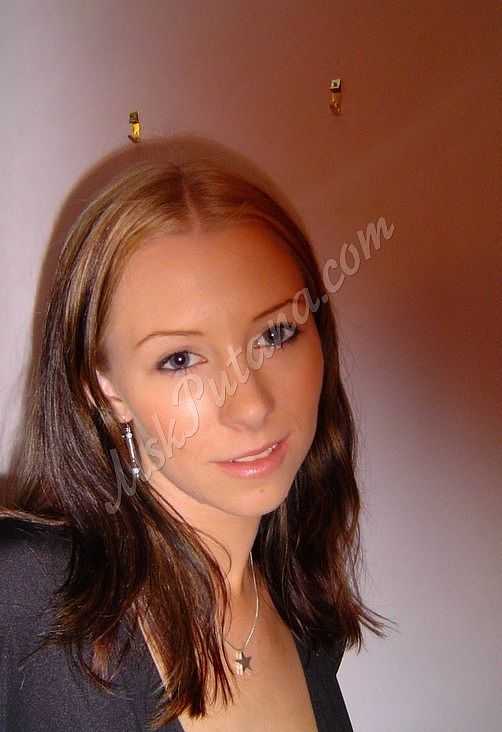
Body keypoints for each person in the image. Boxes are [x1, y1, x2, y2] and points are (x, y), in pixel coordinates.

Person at [0, 157, 392, 731]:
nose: (251, 404)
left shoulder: (300, 609)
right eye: (180, 359)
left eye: (276, 333)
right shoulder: (29, 595)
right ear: (104, 390)